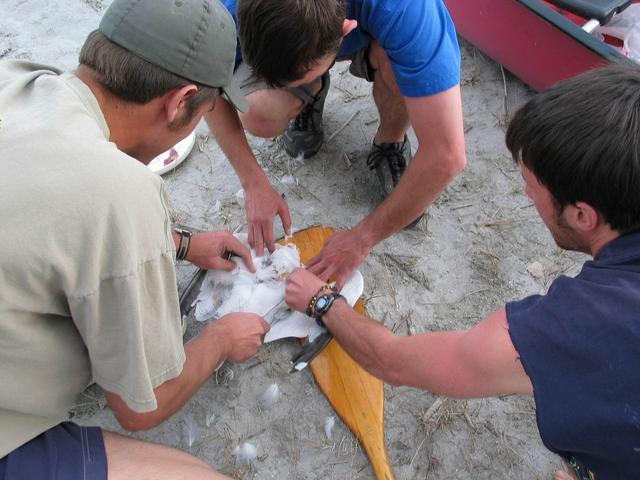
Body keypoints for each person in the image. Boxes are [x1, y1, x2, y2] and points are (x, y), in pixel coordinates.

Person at [285, 65, 640, 480]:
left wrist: (323, 302)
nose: (526, 194)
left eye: (531, 187)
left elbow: (393, 362)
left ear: (582, 215)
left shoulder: (580, 326)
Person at [0, 0, 270, 478]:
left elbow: (49, 218)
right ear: (177, 101)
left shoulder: (18, 78)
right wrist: (223, 338)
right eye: (202, 111)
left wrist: (181, 244)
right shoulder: (121, 190)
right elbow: (142, 405)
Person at [206, 0, 466, 289]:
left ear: (345, 30)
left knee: (397, 68)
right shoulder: (225, 8)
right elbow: (206, 86)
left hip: (376, 32)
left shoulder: (406, 10)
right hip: (317, 34)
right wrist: (252, 182)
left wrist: (362, 239)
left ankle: (390, 139)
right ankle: (308, 96)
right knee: (258, 113)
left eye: (297, 81)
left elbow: (447, 154)